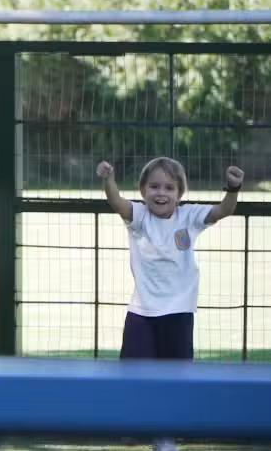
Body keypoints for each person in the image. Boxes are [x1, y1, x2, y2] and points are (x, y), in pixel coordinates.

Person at [96, 157, 244, 451]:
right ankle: (136, 425)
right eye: (153, 186)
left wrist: (233, 188)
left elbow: (224, 210)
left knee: (175, 374)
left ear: (180, 193)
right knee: (136, 373)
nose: (160, 193)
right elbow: (116, 202)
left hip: (179, 312)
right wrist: (108, 180)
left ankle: (166, 432)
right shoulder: (138, 217)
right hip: (142, 311)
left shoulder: (189, 218)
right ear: (142, 191)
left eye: (169, 187)